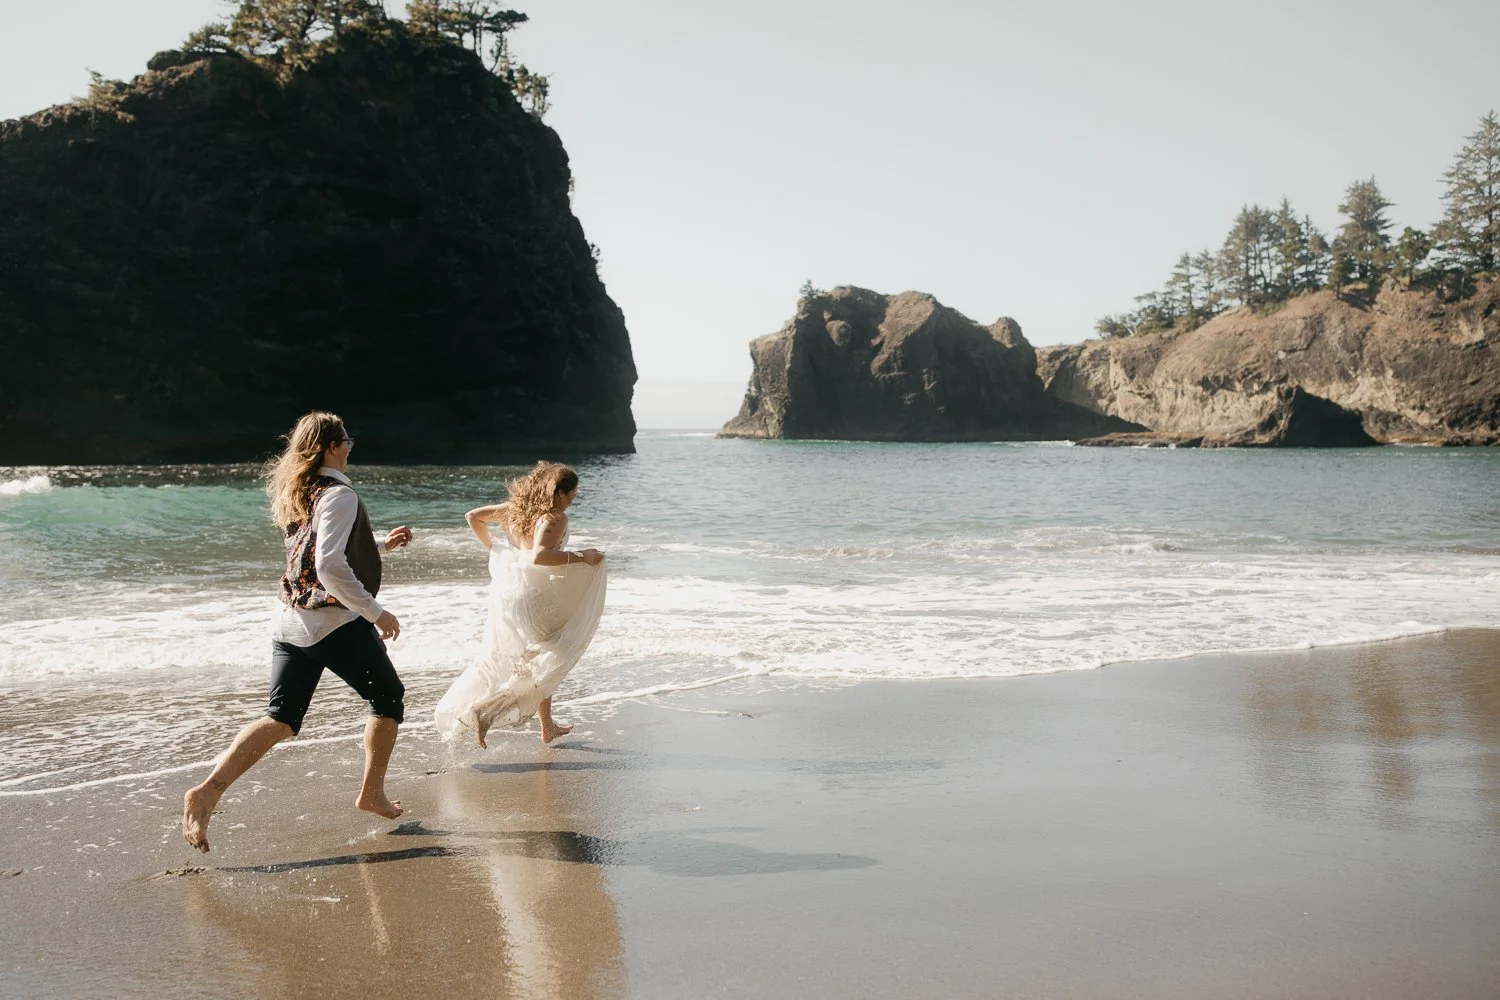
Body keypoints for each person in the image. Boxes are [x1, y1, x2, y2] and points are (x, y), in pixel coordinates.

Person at [181, 412, 414, 853]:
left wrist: (380, 544)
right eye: (346, 440)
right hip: (332, 623)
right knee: (387, 698)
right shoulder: (341, 494)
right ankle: (372, 793)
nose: (350, 446)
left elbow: (312, 552)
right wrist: (374, 611)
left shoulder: (300, 489)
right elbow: (328, 566)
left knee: (282, 717)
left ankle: (207, 791)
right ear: (330, 446)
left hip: (288, 620)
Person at [434, 461, 606, 748]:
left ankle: (547, 726)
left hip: (513, 595)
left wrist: (497, 550)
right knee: (549, 660)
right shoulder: (554, 517)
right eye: (572, 495)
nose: (573, 501)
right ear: (559, 492)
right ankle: (483, 711)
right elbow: (540, 556)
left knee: (537, 657)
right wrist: (581, 556)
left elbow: (473, 516)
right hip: (535, 599)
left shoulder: (517, 510)